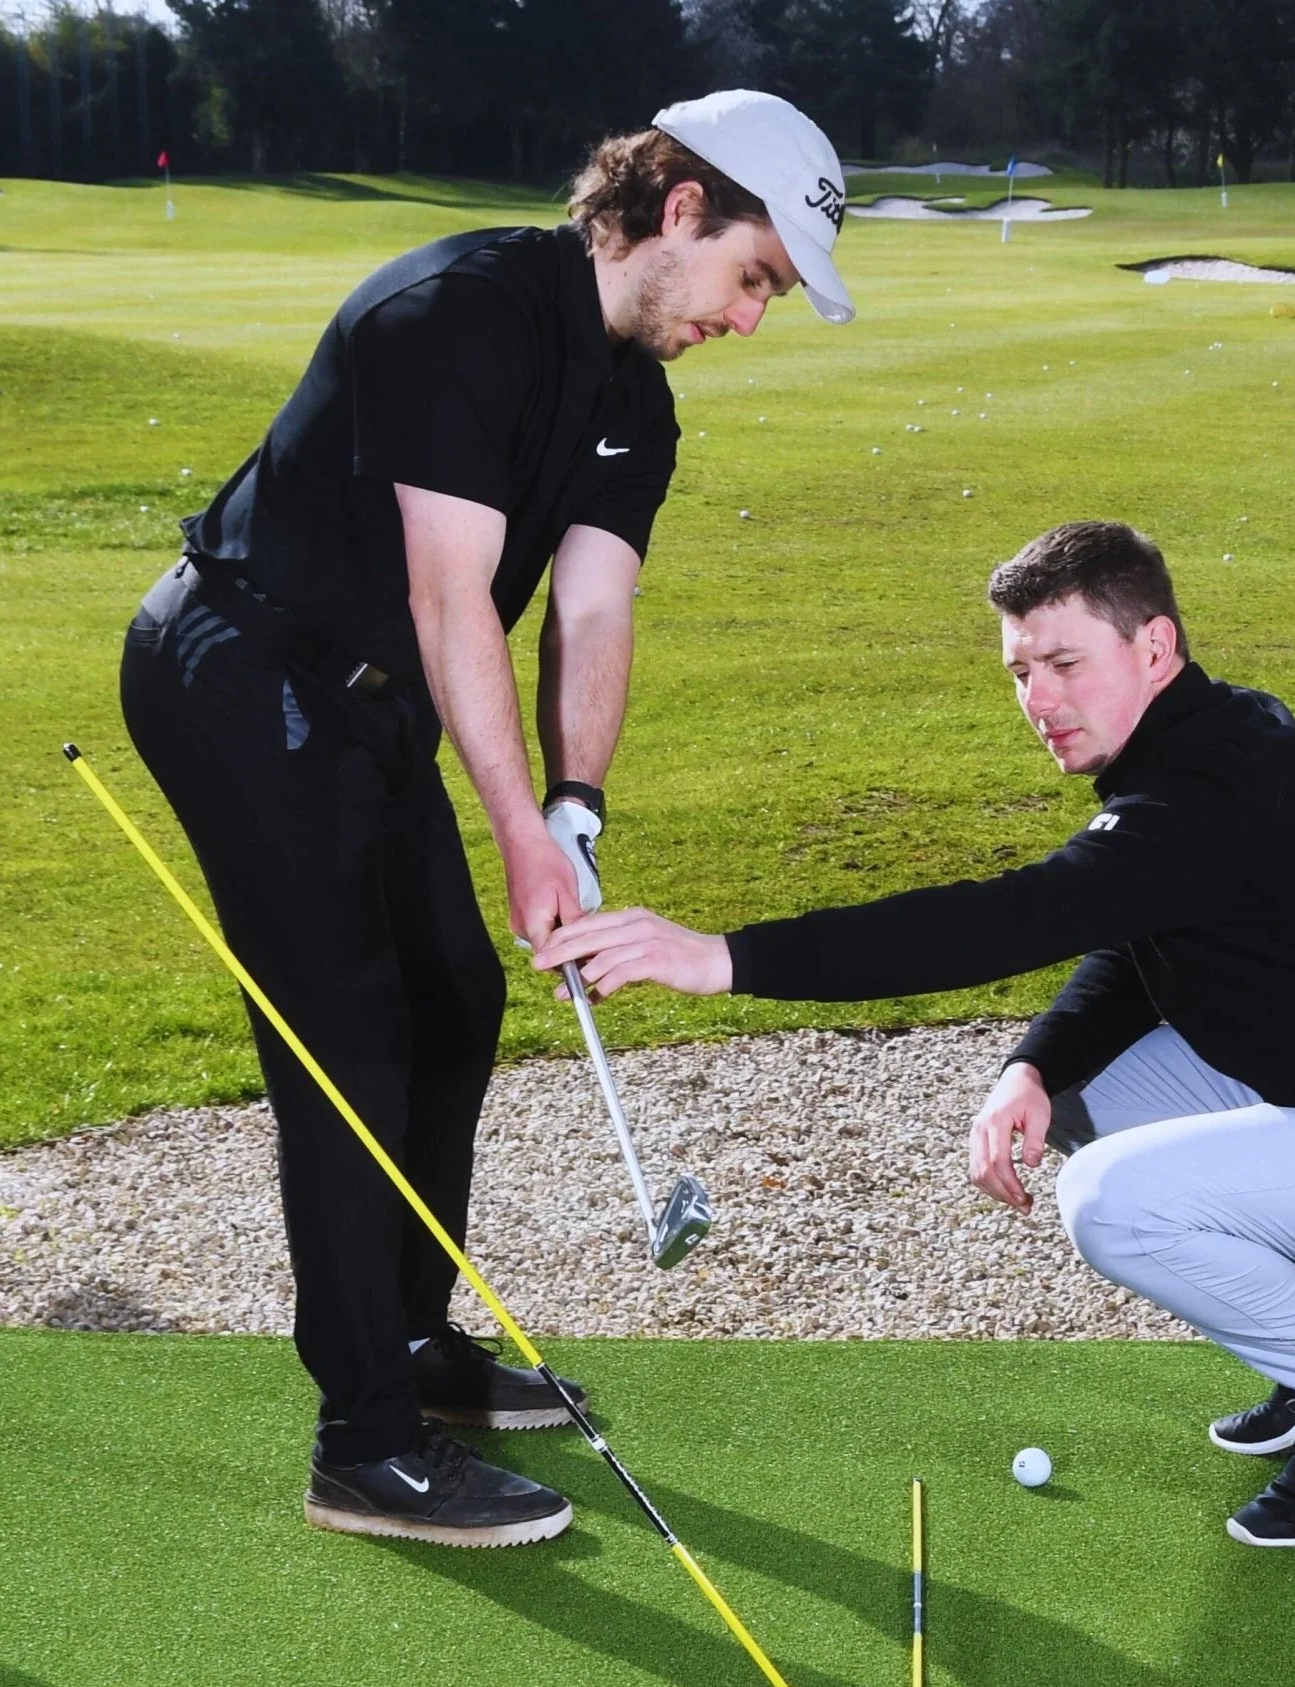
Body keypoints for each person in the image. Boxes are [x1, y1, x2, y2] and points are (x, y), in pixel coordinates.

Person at [118, 90, 856, 1549]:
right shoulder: (459, 313)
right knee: (348, 1045)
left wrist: (572, 808)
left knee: (454, 996)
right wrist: (513, 833)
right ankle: (362, 1445)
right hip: (242, 672)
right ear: (682, 209)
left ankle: (410, 1338)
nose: (748, 317)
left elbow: (592, 611)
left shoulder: (635, 402)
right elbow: (451, 596)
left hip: (367, 701)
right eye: (755, 276)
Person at [535, 520, 1295, 1549]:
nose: (1039, 699)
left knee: (1112, 1203)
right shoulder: (1210, 737)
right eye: (1021, 672)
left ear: (1153, 647)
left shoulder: (1203, 790)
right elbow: (1134, 936)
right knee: (1071, 1092)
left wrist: (721, 957)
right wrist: (1031, 1066)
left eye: (1065, 663)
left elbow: (1002, 920)